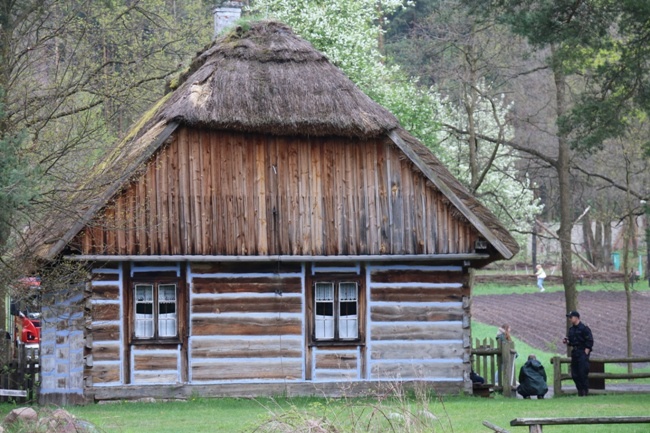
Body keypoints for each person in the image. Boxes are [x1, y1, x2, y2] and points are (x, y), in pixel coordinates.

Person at [563, 311, 594, 396]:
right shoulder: (571, 330)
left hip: (582, 352)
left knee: (582, 373)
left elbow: (590, 340)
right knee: (575, 374)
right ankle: (580, 391)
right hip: (575, 352)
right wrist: (567, 341)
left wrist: (587, 350)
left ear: (576, 318)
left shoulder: (584, 329)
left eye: (571, 317)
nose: (569, 319)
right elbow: (571, 341)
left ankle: (584, 392)